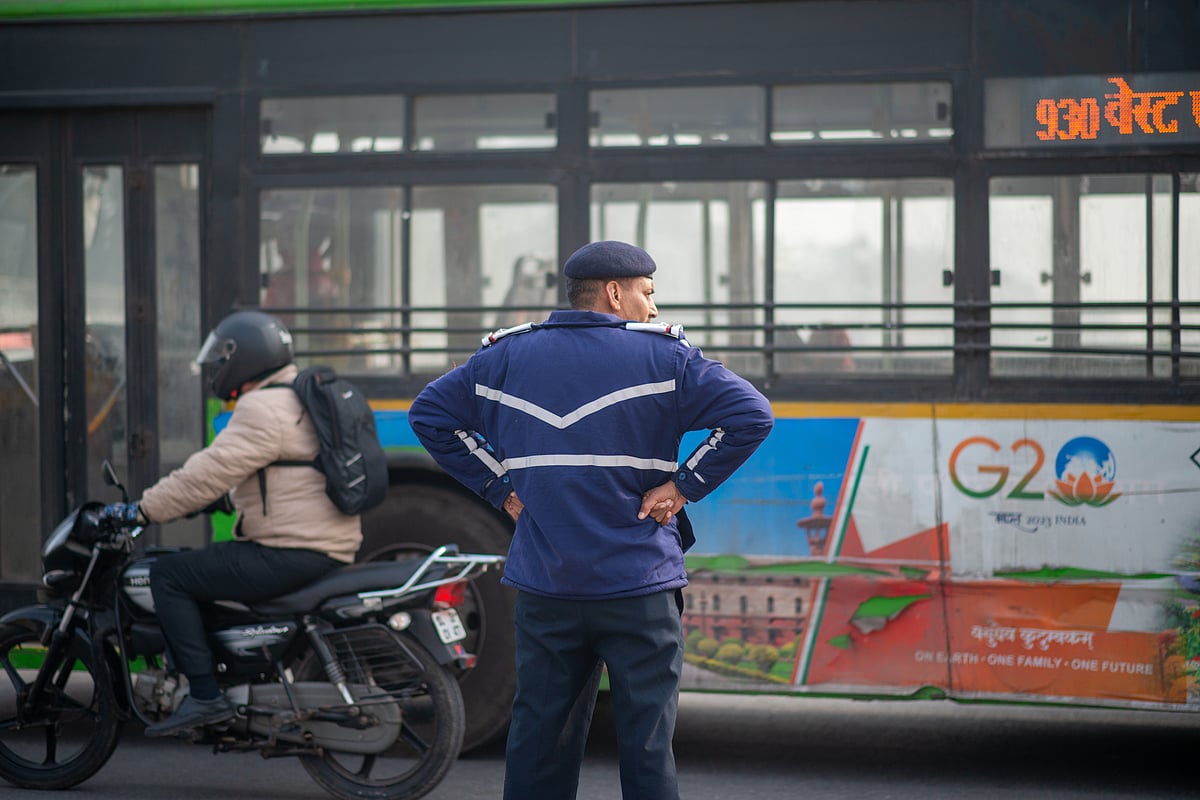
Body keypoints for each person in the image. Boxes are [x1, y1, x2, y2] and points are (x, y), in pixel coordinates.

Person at [407, 240, 774, 800]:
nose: (652, 308)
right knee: (647, 748)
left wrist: (499, 487)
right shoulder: (666, 358)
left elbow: (429, 414)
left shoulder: (505, 357)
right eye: (647, 293)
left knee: (539, 744)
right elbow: (752, 415)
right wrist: (683, 486)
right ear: (613, 292)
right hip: (639, 586)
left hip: (546, 586)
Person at [102, 309, 362, 737]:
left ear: (243, 358)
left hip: (290, 550)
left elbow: (205, 473)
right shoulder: (300, 394)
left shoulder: (262, 406)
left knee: (167, 575)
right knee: (201, 569)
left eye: (221, 360)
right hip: (324, 544)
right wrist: (223, 502)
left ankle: (204, 695)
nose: (217, 370)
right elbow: (284, 473)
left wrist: (141, 510)